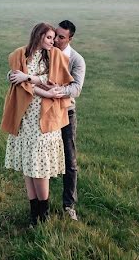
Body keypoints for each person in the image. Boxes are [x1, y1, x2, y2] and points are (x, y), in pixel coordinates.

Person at [1, 22, 74, 225]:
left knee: (40, 168)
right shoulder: (21, 55)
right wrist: (22, 78)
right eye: (49, 37)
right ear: (39, 36)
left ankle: (44, 213)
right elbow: (21, 83)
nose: (53, 42)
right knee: (29, 165)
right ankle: (35, 213)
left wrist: (29, 78)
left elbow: (52, 81)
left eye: (54, 38)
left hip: (44, 119)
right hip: (25, 118)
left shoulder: (53, 56)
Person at [50, 20, 85, 221]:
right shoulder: (45, 51)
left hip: (65, 113)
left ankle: (68, 205)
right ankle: (40, 203)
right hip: (44, 113)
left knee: (69, 159)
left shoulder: (76, 60)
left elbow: (76, 89)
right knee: (42, 154)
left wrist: (57, 91)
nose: (56, 39)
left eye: (61, 37)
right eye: (55, 35)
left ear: (70, 38)